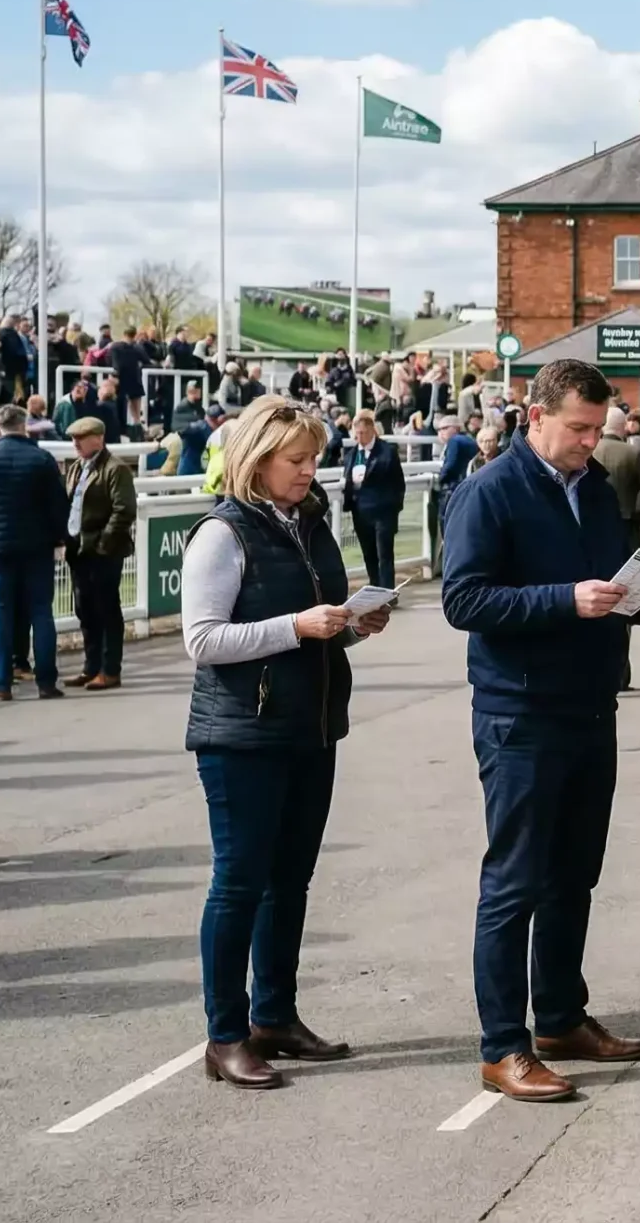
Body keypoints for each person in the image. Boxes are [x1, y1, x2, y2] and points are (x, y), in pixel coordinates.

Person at [440, 359, 640, 1104]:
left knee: (575, 872)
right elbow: (464, 598)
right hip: (520, 711)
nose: (590, 442)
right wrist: (563, 599)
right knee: (514, 882)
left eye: (597, 429)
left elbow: (605, 582)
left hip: (589, 703)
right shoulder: (489, 490)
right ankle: (502, 1046)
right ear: (535, 416)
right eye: (578, 429)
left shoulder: (595, 488)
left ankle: (560, 1017)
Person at [181, 396, 392, 1089]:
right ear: (258, 457)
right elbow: (203, 640)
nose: (309, 472)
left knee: (290, 880)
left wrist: (355, 621)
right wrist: (295, 626)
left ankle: (274, 1013)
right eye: (296, 460)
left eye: (313, 460)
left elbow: (314, 616)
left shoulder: (309, 522)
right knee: (240, 881)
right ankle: (225, 1032)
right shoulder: (222, 533)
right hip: (242, 733)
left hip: (311, 724)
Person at [0, 404, 67, 700]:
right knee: (42, 613)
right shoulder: (42, 459)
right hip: (37, 548)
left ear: (0, 427)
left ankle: (1, 684)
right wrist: (59, 539)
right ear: (24, 425)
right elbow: (59, 506)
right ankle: (46, 682)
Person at [62, 417, 135, 690]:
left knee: (106, 610)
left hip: (103, 551)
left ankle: (109, 669)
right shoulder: (76, 468)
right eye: (73, 439)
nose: (75, 443)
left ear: (98, 438)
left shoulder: (115, 469)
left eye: (81, 438)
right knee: (85, 610)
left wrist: (103, 544)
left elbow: (124, 510)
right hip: (79, 549)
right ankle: (91, 667)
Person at [339, 413, 404, 590]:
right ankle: (374, 588)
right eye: (357, 433)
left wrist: (394, 509)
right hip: (360, 511)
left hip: (383, 512)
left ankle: (387, 591)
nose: (359, 437)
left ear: (372, 431)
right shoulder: (352, 454)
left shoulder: (387, 452)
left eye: (363, 433)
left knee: (384, 554)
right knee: (368, 553)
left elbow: (398, 483)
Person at [593, 407, 640, 553]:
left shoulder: (590, 450)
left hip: (594, 520)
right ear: (623, 426)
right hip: (626, 520)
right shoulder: (632, 453)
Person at [434, 416, 479, 556]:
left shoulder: (455, 441)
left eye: (443, 428)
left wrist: (440, 480)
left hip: (453, 489)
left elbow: (450, 465)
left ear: (455, 428)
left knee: (448, 529)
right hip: (467, 489)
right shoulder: (469, 440)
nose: (440, 433)